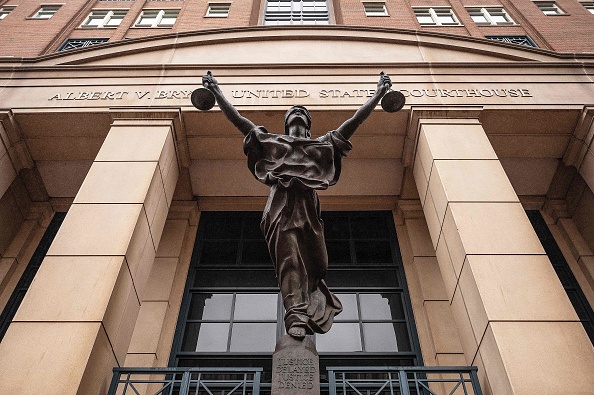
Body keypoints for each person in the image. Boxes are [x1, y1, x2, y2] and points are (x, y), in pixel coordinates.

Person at [202, 71, 392, 339]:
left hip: (307, 208)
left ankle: (313, 301)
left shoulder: (321, 145)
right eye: (293, 110)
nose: (298, 111)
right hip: (281, 204)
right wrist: (217, 93)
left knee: (317, 265)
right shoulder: (274, 144)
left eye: (302, 111)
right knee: (290, 259)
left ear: (309, 124)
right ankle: (296, 316)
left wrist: (377, 97)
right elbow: (240, 122)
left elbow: (353, 123)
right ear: (286, 121)